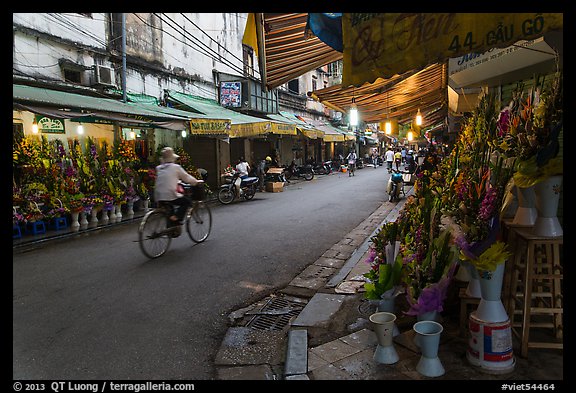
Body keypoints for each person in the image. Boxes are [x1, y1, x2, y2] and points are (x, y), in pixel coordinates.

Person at [154, 147, 203, 237]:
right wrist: (196, 182)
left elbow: (165, 180)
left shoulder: (159, 168)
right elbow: (187, 178)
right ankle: (176, 217)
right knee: (187, 202)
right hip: (170, 194)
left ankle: (172, 225)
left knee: (169, 207)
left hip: (158, 196)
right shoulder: (176, 167)